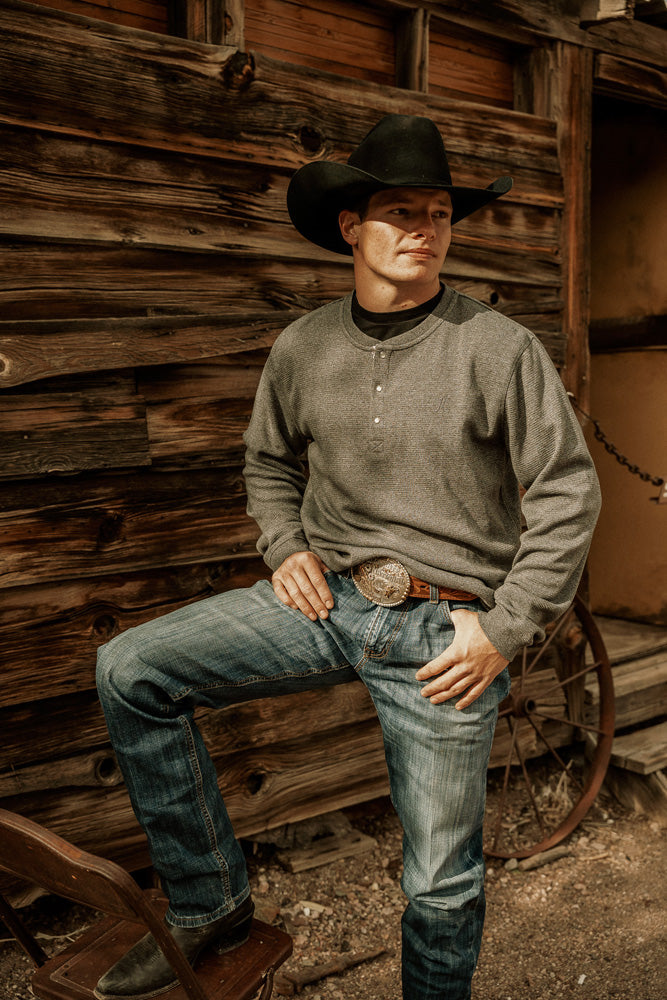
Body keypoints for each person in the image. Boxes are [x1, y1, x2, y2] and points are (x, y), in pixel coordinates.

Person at [95, 114, 601, 1000]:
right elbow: (266, 461)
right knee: (131, 670)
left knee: (440, 885)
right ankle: (209, 903)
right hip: (325, 605)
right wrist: (285, 544)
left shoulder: (496, 348)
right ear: (350, 227)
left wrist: (505, 628)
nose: (423, 230)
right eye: (400, 211)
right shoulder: (304, 346)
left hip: (444, 635)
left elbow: (567, 492)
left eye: (439, 213)